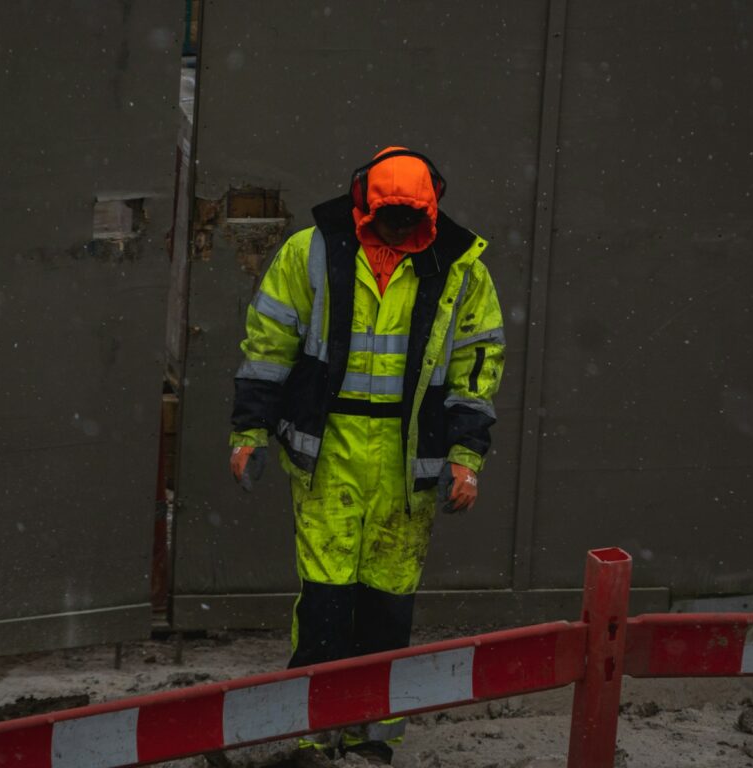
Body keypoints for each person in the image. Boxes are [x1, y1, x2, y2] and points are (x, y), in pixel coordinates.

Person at [228, 147, 505, 766]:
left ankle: (370, 736)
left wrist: (467, 455)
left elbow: (476, 366)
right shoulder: (312, 252)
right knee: (326, 596)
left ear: (431, 207)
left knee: (387, 602)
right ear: (363, 202)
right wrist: (248, 432)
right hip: (329, 453)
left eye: (413, 215)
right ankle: (311, 731)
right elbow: (269, 341)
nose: (401, 227)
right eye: (391, 214)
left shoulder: (460, 268)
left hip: (410, 461)